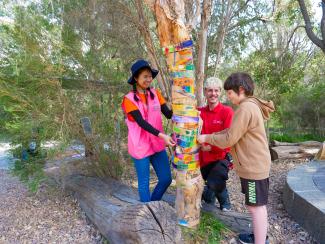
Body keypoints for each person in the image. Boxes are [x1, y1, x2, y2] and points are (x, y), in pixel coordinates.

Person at [197, 72, 274, 244]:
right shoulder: (249, 106)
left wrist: (207, 138)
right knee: (255, 206)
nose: (228, 97)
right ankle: (257, 236)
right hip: (254, 165)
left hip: (254, 166)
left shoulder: (245, 108)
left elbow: (229, 139)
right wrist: (211, 135)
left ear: (240, 90)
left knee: (256, 207)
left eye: (229, 93)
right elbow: (231, 132)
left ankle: (260, 241)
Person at [121, 59, 175, 202]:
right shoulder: (129, 99)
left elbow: (168, 114)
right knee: (144, 183)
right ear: (136, 78)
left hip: (157, 144)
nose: (149, 79)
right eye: (145, 76)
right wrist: (162, 135)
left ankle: (153, 204)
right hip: (140, 146)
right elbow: (141, 122)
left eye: (150, 76)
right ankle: (147, 212)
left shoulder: (156, 94)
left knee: (166, 179)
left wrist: (181, 104)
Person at [198, 77, 234, 211]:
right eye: (210, 91)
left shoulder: (227, 112)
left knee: (214, 180)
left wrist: (211, 147)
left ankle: (226, 205)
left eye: (216, 90)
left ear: (220, 92)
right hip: (202, 159)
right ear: (205, 92)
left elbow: (229, 139)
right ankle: (211, 208)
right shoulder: (199, 112)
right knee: (209, 185)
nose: (213, 94)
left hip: (221, 156)